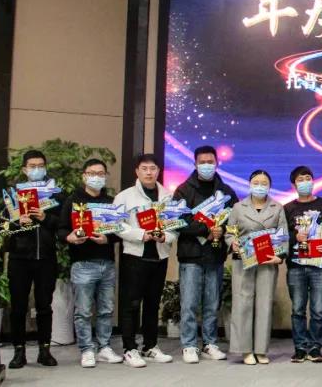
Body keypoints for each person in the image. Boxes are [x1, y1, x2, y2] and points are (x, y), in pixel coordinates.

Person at [172, 145, 238, 363]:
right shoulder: (183, 190)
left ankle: (210, 343)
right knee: (189, 303)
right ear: (195, 164)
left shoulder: (226, 191)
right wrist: (205, 230)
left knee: (212, 303)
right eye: (202, 162)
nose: (207, 165)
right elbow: (178, 221)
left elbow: (235, 220)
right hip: (190, 255)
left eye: (210, 162)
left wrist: (222, 230)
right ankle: (189, 345)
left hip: (215, 255)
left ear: (217, 163)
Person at [57, 159, 123, 368]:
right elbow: (61, 229)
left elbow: (119, 231)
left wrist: (107, 239)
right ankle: (86, 349)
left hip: (107, 262)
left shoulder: (110, 202)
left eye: (101, 173)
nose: (96, 177)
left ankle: (104, 347)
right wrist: (69, 237)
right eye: (92, 173)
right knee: (83, 311)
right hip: (82, 263)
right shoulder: (73, 201)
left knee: (106, 309)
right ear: (84, 175)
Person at [114, 153, 177, 368]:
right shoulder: (125, 196)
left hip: (159, 255)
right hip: (135, 256)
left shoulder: (168, 197)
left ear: (159, 171)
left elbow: (175, 224)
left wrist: (165, 236)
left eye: (153, 168)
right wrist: (141, 234)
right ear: (137, 171)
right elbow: (117, 224)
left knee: (152, 303)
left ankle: (150, 346)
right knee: (131, 304)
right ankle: (129, 348)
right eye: (144, 168)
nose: (149, 172)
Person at [6, 150, 63, 369]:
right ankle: (19, 351)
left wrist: (45, 217)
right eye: (32, 166)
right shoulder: (13, 193)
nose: (37, 169)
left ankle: (44, 350)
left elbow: (63, 224)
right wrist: (16, 221)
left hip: (46, 257)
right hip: (19, 257)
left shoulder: (55, 194)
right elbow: (2, 226)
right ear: (24, 169)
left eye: (40, 165)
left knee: (44, 306)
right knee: (18, 306)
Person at [226, 170, 288, 364]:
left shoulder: (277, 207)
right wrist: (232, 243)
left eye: (264, 183)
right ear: (249, 184)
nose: (260, 186)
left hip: (267, 261)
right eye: (256, 182)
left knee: (264, 303)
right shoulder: (238, 207)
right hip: (243, 261)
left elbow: (283, 235)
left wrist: (279, 256)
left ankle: (261, 350)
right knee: (242, 303)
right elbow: (229, 233)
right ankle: (245, 350)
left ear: (269, 186)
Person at [284, 166, 322, 363]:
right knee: (297, 309)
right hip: (295, 265)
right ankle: (300, 347)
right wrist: (294, 237)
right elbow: (281, 237)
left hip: (319, 264)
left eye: (307, 178)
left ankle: (314, 347)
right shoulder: (287, 208)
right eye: (300, 179)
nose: (305, 182)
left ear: (313, 181)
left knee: (318, 310)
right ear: (294, 185)